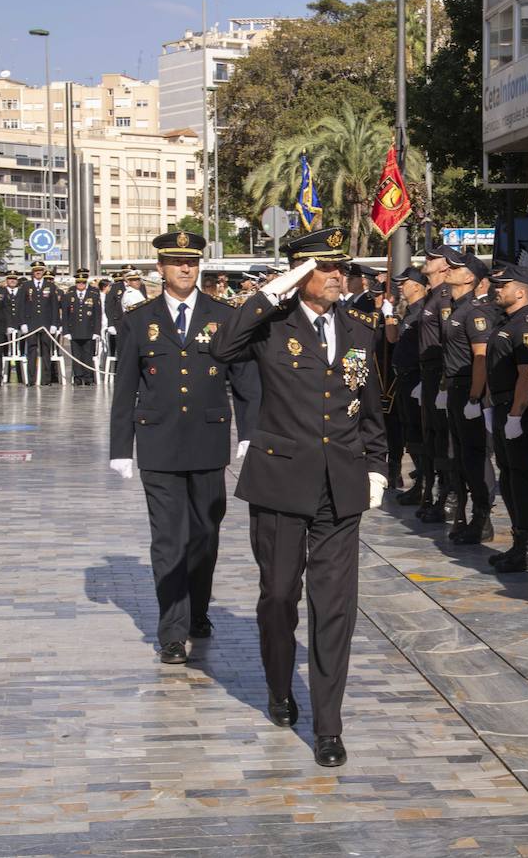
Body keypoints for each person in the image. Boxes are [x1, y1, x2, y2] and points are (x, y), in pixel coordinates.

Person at [208, 226, 388, 769]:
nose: (339, 276)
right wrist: (273, 288)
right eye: (326, 268)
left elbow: (371, 404)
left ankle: (328, 726)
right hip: (282, 483)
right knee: (279, 597)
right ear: (299, 272)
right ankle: (279, 686)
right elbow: (222, 345)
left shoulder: (359, 329)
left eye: (341, 268)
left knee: (335, 609)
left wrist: (377, 465)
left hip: (342, 486)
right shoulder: (269, 325)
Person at [109, 230, 257, 667]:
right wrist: (121, 447)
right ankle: (172, 630)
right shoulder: (139, 319)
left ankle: (198, 610)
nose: (185, 269)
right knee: (168, 540)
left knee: (205, 535)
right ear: (161, 269)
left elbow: (244, 377)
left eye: (192, 262)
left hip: (209, 443)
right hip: (158, 442)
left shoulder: (223, 315)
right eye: (176, 263)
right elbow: (126, 388)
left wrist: (250, 431)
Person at [487, 264, 528, 572]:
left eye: (503, 286)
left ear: (521, 291)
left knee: (521, 478)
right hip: (501, 405)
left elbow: (527, 374)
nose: (498, 290)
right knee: (508, 477)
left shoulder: (527, 324)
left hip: (515, 409)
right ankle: (517, 543)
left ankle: (526, 548)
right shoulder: (509, 320)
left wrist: (514, 414)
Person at [440, 250, 496, 543]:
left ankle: (482, 518)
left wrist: (475, 398)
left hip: (468, 390)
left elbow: (481, 358)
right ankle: (464, 514)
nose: (449, 269)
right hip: (456, 387)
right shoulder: (456, 307)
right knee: (459, 456)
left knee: (475, 457)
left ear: (470, 277)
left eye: (456, 267)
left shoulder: (475, 311)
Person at [415, 246, 454, 523]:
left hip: (440, 373)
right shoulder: (431, 296)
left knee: (443, 437)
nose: (426, 261)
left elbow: (447, 342)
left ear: (445, 266)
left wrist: (442, 383)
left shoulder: (445, 297)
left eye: (432, 258)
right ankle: (433, 491)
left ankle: (448, 496)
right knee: (431, 436)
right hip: (427, 373)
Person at [387, 267, 428, 505]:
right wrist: (390, 314)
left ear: (417, 285)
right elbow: (393, 339)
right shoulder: (409, 311)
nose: (401, 286)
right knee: (409, 432)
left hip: (417, 378)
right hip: (403, 377)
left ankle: (424, 483)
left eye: (405, 282)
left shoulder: (425, 311)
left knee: (419, 433)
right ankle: (420, 483)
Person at [23, 264, 60, 385]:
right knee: (31, 352)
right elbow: (21, 306)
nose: (38, 272)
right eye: (36, 270)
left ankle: (46, 379)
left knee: (46, 351)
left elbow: (54, 306)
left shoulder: (50, 286)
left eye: (40, 270)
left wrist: (54, 323)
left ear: (43, 272)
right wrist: (23, 323)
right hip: (31, 323)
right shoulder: (26, 286)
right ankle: (31, 379)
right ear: (32, 272)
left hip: (46, 323)